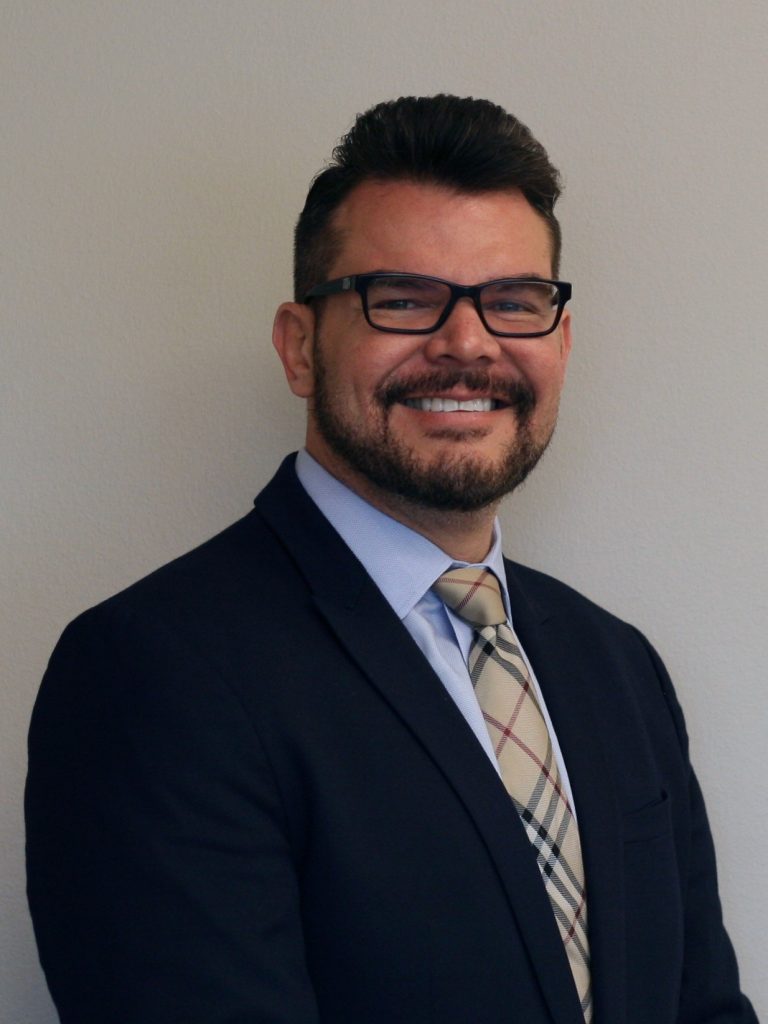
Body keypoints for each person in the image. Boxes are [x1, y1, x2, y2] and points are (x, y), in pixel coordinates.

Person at [25, 94, 756, 1024]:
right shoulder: (154, 669)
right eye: (404, 299)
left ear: (562, 343)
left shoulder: (618, 665)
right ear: (300, 347)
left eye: (514, 302)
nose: (468, 344)